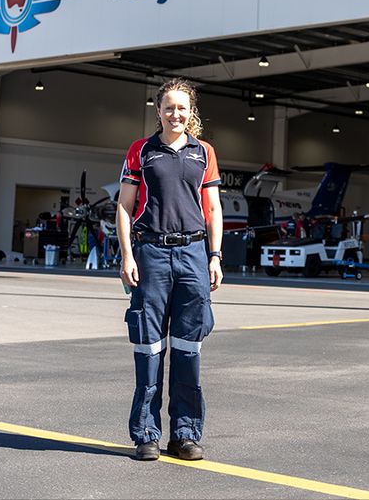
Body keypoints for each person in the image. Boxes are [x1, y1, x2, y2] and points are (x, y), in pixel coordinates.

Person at [117, 78, 224, 462]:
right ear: (158, 110)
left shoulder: (204, 152)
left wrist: (215, 255)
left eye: (182, 108)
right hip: (152, 254)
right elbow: (125, 207)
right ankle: (146, 434)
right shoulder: (141, 151)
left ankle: (184, 434)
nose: (175, 114)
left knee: (188, 347)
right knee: (148, 346)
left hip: (194, 254)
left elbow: (212, 209)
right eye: (168, 107)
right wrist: (127, 255)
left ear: (190, 111)